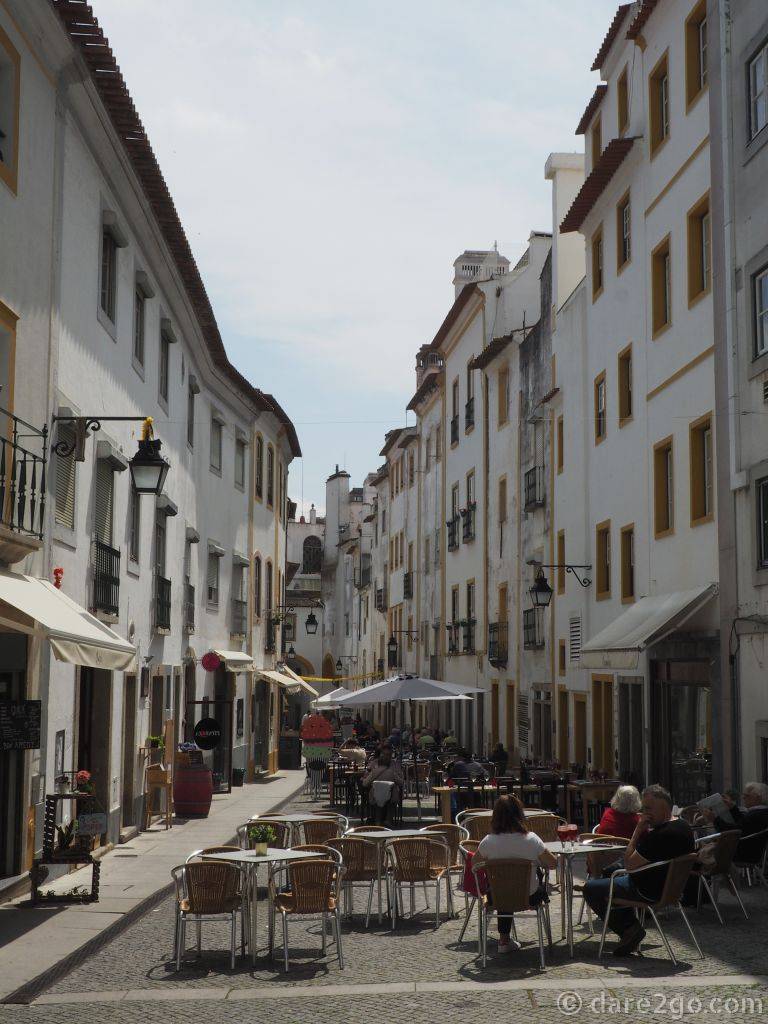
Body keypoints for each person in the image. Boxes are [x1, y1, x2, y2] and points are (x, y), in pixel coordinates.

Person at [584, 784, 695, 956]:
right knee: (610, 875)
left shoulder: (661, 836)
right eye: (644, 809)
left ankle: (629, 928)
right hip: (671, 889)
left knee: (591, 889)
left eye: (649, 809)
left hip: (646, 890)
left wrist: (637, 831)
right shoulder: (684, 827)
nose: (645, 814)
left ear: (664, 807)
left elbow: (629, 864)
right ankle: (630, 927)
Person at [476, 795, 557, 953]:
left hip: (499, 896)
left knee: (503, 888)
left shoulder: (488, 841)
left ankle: (504, 940)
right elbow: (553, 863)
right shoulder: (532, 839)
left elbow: (474, 864)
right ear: (519, 814)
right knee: (522, 884)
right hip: (529, 895)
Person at [707, 782, 768, 862]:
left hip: (741, 853)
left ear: (758, 798)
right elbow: (744, 824)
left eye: (747, 795)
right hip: (752, 851)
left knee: (702, 853)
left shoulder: (756, 815)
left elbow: (731, 832)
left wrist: (714, 819)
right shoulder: (762, 812)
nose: (743, 797)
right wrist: (732, 807)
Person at [362, 745, 404, 825]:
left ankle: (377, 820)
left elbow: (365, 783)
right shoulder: (391, 771)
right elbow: (401, 782)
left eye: (388, 754)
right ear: (380, 755)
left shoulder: (375, 771)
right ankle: (388, 820)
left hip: (375, 796)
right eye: (384, 754)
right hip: (390, 797)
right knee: (390, 798)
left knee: (378, 798)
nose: (386, 756)